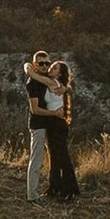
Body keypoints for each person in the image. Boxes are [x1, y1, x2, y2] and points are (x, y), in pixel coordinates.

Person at [22, 48, 79, 203]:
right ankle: (45, 191)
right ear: (35, 64)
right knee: (50, 157)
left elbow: (65, 84)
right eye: (42, 64)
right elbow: (34, 109)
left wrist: (66, 87)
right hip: (43, 123)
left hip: (56, 124)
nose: (46, 67)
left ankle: (69, 189)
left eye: (48, 64)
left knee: (61, 156)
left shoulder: (50, 80)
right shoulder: (36, 81)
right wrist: (29, 70)